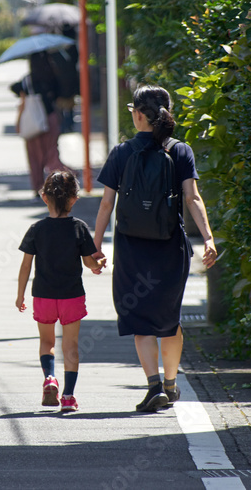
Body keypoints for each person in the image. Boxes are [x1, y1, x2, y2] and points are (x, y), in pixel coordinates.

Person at [93, 85, 218, 412]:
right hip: (170, 248)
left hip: (132, 249)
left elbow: (107, 204)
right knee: (169, 319)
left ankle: (153, 386)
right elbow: (192, 198)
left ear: (137, 114)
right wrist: (208, 238)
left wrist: (95, 246)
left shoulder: (122, 152)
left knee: (140, 319)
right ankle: (171, 384)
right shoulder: (180, 151)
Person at [16, 171, 105, 413]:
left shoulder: (36, 229)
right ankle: (68, 397)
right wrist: (99, 265)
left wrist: (20, 294)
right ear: (74, 199)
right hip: (72, 296)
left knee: (47, 341)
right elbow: (89, 262)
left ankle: (50, 378)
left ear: (44, 197)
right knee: (71, 346)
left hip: (43, 295)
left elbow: (26, 265)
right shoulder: (79, 228)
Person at [11, 51, 70, 196]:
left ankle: (38, 188)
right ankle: (59, 184)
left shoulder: (27, 81)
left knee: (34, 157)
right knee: (51, 153)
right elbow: (62, 93)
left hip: (33, 122)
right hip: (50, 119)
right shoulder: (53, 77)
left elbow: (13, 87)